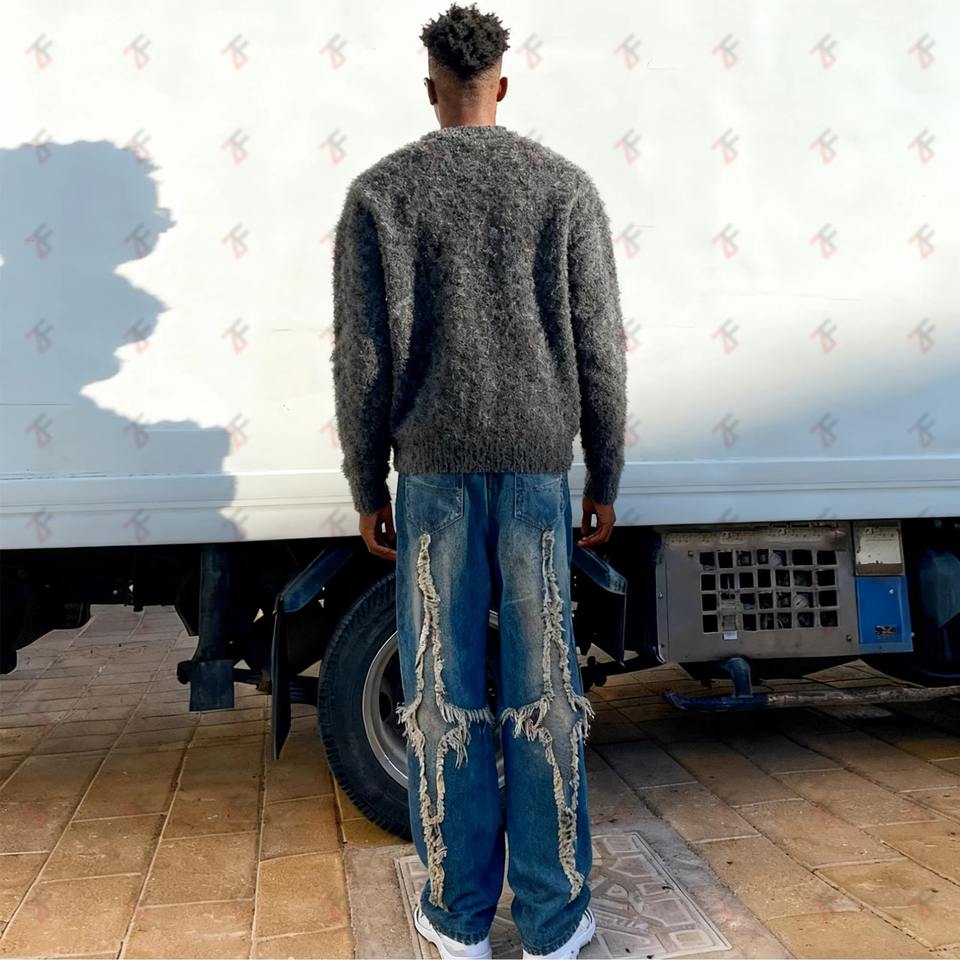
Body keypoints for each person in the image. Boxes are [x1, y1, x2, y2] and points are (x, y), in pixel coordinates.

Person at [330, 3, 627, 957]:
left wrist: (366, 482)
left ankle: (458, 919)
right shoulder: (563, 187)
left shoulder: (381, 195)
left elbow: (361, 361)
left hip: (433, 479)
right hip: (537, 475)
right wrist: (605, 470)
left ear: (431, 88)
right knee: (545, 696)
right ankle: (554, 922)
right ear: (503, 81)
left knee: (442, 695)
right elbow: (599, 347)